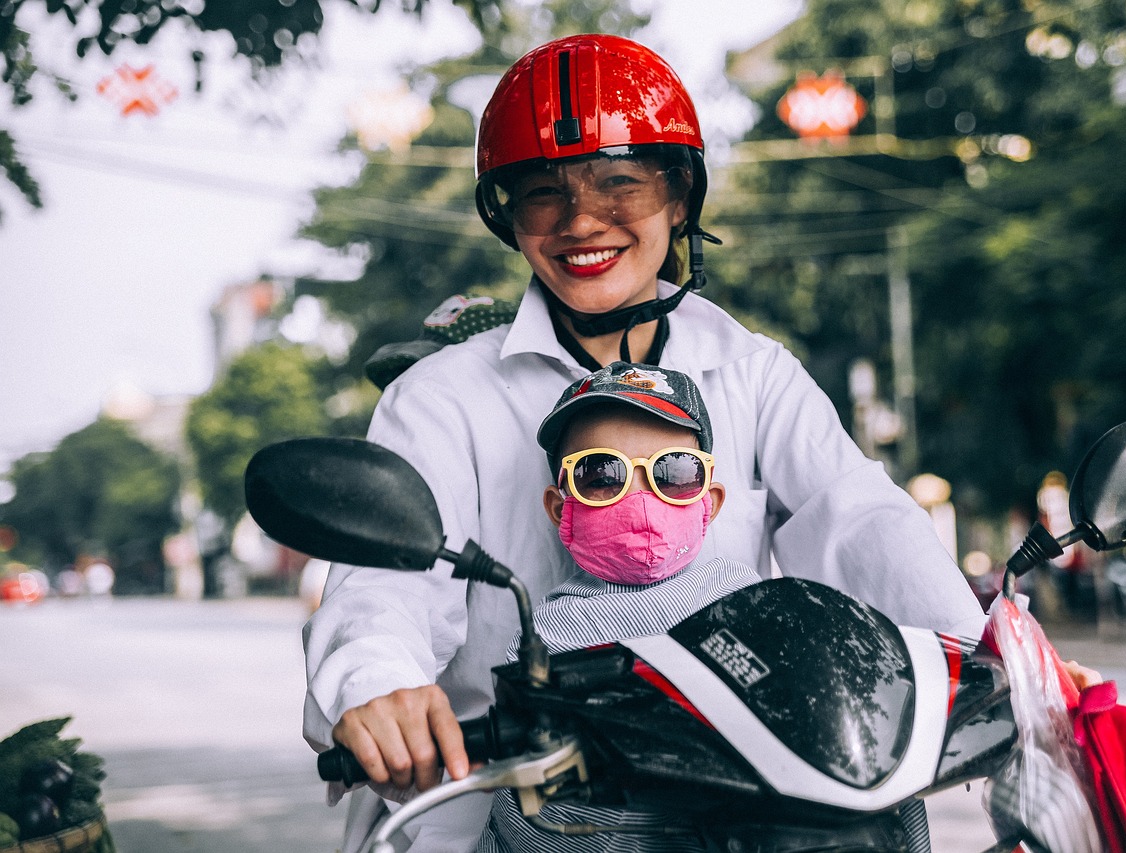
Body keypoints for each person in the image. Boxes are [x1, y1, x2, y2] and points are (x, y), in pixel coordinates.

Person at [303, 33, 986, 853]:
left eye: (619, 183)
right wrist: (380, 685)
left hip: (735, 797)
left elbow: (860, 517)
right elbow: (386, 586)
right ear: (509, 218)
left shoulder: (752, 371)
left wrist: (995, 659)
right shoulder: (441, 398)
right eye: (543, 193)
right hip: (501, 792)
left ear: (678, 198)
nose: (582, 220)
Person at [477, 361, 761, 851]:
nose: (640, 496)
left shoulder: (749, 599)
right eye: (601, 473)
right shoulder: (546, 640)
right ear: (560, 506)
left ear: (708, 501)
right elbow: (534, 813)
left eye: (672, 472)